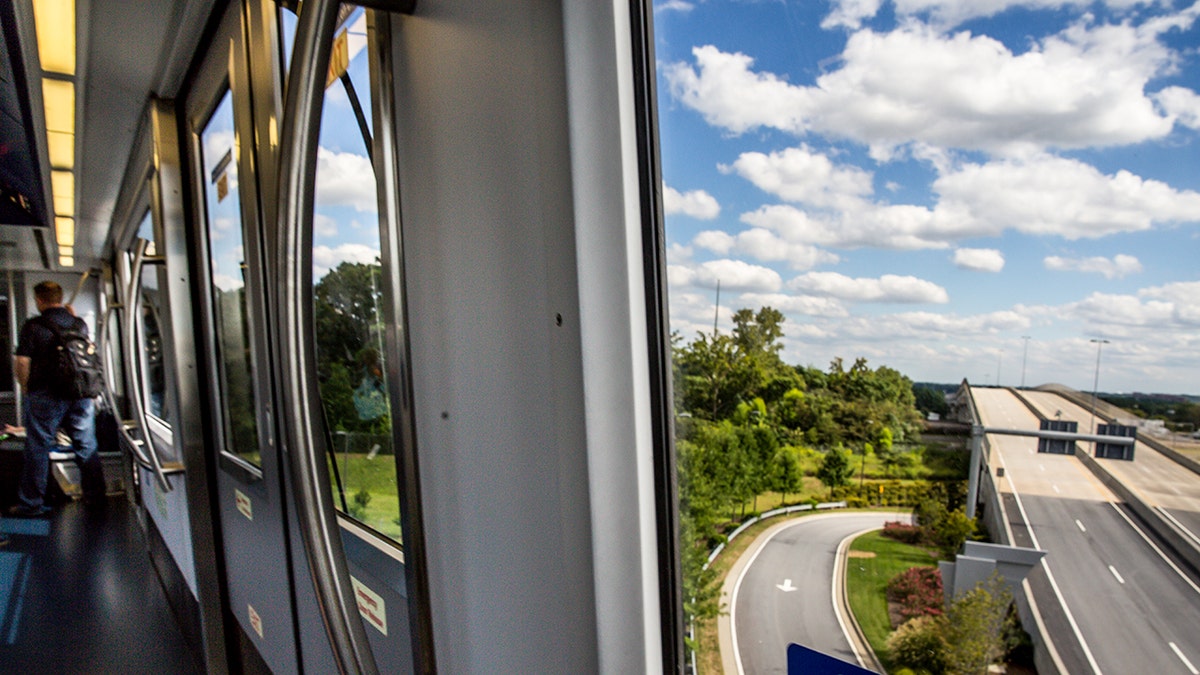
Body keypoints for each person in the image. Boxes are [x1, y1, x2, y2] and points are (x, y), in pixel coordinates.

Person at [9, 281, 106, 516]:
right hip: (80, 394)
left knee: (38, 447)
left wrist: (25, 387)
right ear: (60, 298)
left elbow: (22, 362)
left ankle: (31, 504)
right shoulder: (78, 324)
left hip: (46, 394)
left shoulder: (34, 326)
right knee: (86, 445)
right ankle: (95, 498)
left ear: (39, 300)